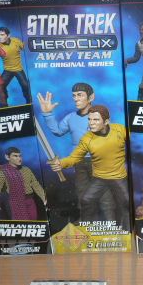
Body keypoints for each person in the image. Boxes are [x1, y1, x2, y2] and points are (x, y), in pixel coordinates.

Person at [38, 83, 115, 219]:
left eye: (80, 95)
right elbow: (58, 131)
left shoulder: (99, 116)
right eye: (74, 95)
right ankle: (86, 222)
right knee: (83, 193)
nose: (76, 99)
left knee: (104, 193)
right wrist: (47, 114)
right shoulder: (71, 117)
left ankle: (110, 222)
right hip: (79, 161)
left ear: (91, 97)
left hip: (99, 161)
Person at [49, 105, 130, 231]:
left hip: (118, 177)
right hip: (100, 178)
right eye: (89, 119)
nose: (91, 123)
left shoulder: (119, 130)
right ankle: (87, 229)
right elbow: (74, 157)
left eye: (95, 120)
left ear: (106, 121)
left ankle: (126, 231)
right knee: (86, 200)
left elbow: (135, 141)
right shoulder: (87, 138)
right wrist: (61, 163)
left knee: (125, 203)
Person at [0, 147, 46, 220]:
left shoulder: (26, 170)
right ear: (7, 157)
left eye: (20, 156)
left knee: (33, 221)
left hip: (30, 200)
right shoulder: (4, 171)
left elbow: (35, 184)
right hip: (17, 202)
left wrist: (43, 197)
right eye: (15, 156)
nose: (19, 158)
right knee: (23, 223)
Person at [0, 26, 31, 104]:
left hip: (18, 69)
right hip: (7, 70)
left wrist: (28, 40)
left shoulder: (16, 41)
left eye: (2, 35)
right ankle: (5, 103)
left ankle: (29, 101)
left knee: (25, 85)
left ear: (8, 35)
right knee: (0, 86)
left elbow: (24, 47)